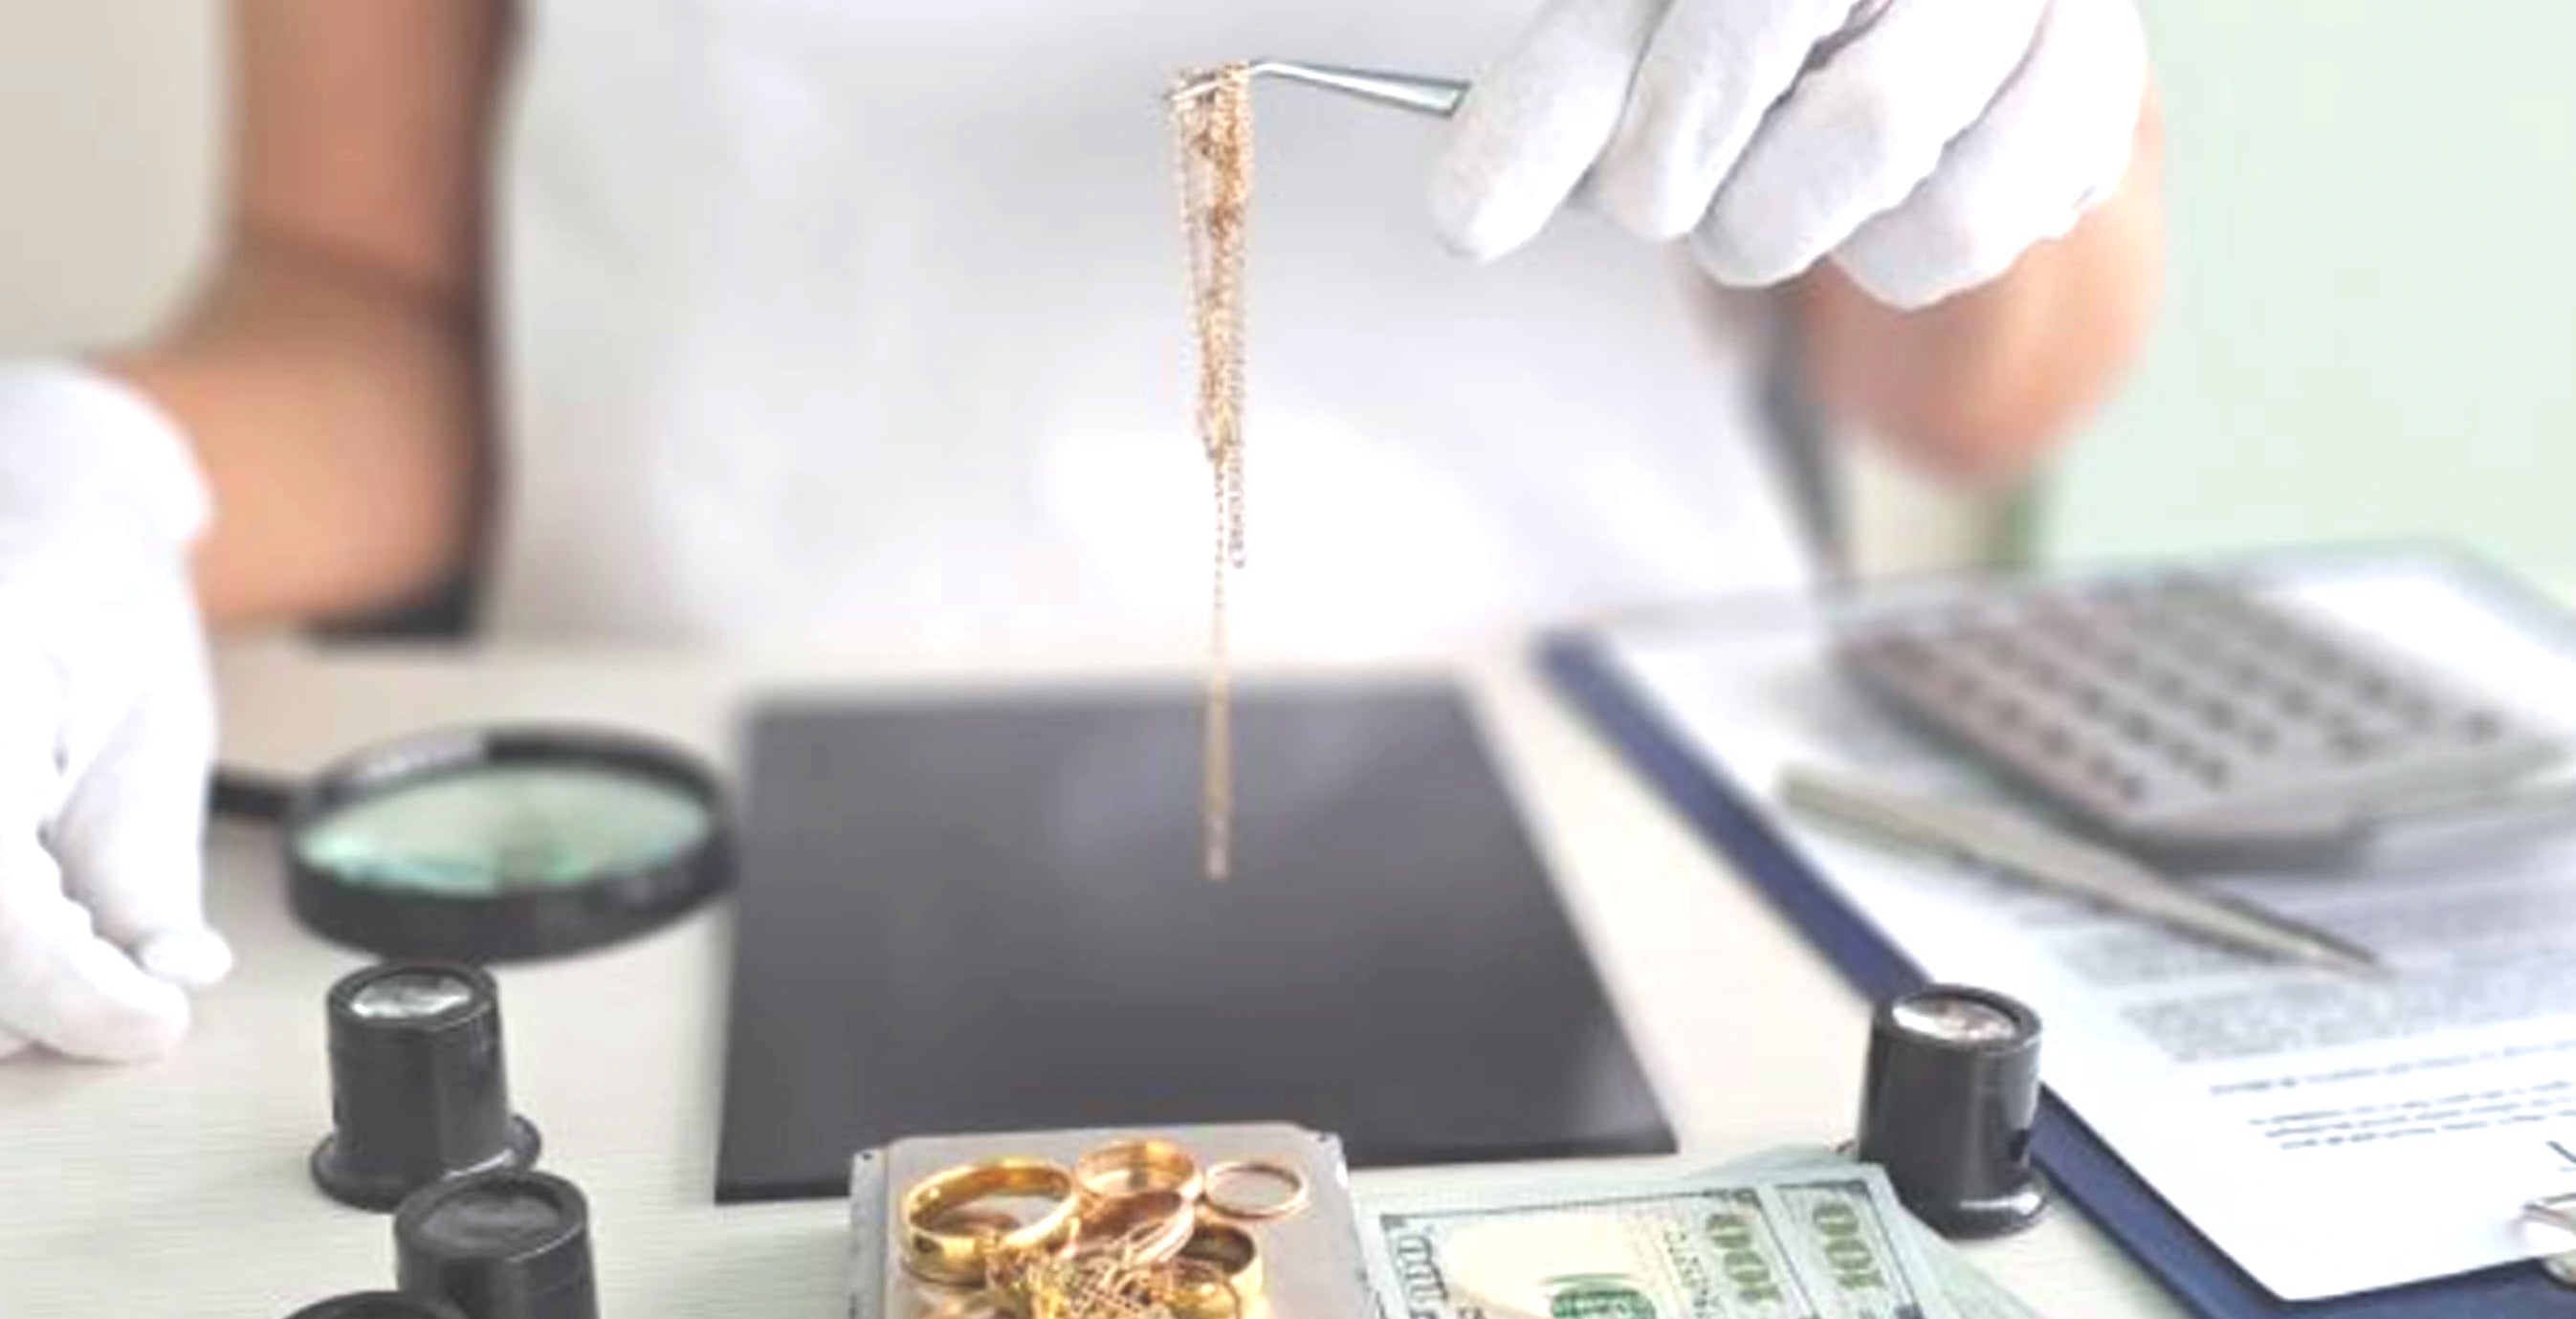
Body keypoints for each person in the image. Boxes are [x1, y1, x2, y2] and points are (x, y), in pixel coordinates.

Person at [0, 0, 2161, 1062]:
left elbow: (1982, 392)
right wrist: (95, 468)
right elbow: (365, 302)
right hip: (677, 888)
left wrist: (1986, 87)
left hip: (1647, 865)